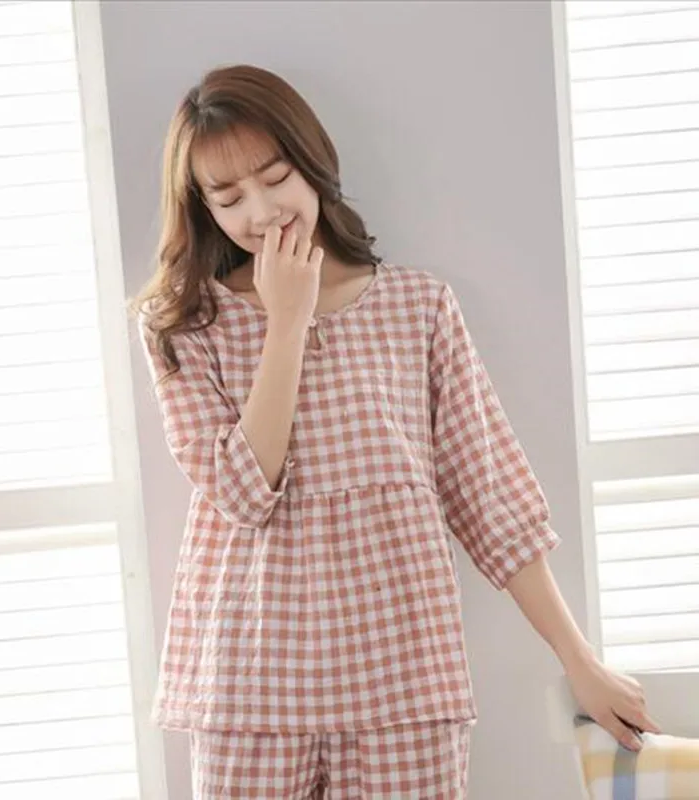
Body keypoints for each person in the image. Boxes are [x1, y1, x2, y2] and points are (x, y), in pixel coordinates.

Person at [131, 63, 659, 799]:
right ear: (202, 209)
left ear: (312, 161)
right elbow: (244, 492)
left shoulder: (419, 308)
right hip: (252, 686)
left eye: (275, 177)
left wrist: (580, 661)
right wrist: (287, 321)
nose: (262, 210)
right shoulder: (185, 327)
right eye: (229, 198)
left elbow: (492, 500)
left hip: (403, 681)